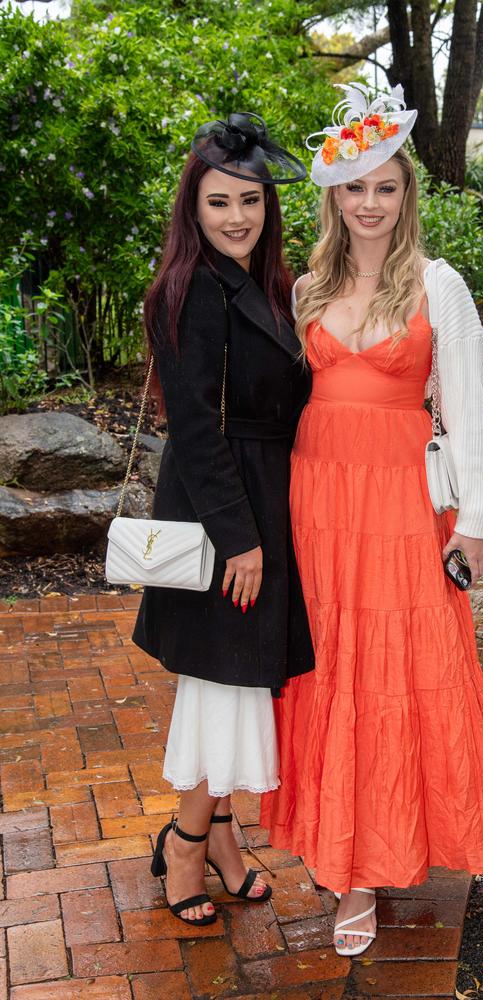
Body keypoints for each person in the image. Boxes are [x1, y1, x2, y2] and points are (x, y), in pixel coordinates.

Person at [260, 84, 483, 956]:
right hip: (317, 508)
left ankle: (391, 848)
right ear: (333, 198)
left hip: (403, 506)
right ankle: (348, 871)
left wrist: (473, 521)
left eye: (386, 187)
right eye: (354, 188)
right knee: (329, 673)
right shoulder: (303, 289)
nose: (370, 204)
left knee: (398, 675)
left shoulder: (439, 287)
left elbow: (467, 413)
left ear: (407, 195)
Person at [132, 113, 314, 925]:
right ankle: (184, 842)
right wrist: (240, 539)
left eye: (250, 199)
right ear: (192, 210)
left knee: (241, 686)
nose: (237, 216)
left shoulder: (270, 284)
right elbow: (195, 428)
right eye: (218, 203)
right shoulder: (184, 289)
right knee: (218, 688)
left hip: (265, 494)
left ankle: (222, 837)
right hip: (221, 508)